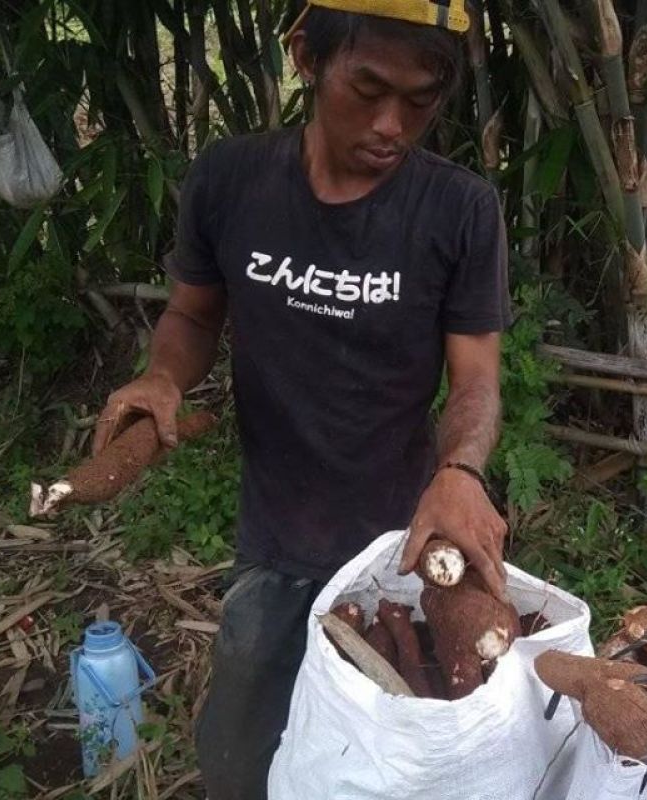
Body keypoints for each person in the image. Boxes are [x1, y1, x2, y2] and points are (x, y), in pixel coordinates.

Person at [91, 0, 511, 796]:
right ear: (306, 58)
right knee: (244, 750)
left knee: (399, 757)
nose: (392, 124)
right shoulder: (231, 179)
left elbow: (477, 379)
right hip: (279, 532)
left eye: (419, 102)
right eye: (369, 88)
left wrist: (461, 469)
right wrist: (162, 377)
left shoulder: (458, 211)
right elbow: (191, 312)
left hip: (406, 545)